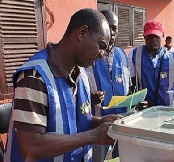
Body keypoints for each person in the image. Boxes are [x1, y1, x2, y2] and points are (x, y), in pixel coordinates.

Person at [4, 8, 121, 162]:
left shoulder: (81, 72)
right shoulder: (35, 76)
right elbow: (31, 145)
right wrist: (94, 135)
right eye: (101, 45)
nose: (102, 54)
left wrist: (99, 122)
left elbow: (71, 119)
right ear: (82, 33)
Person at [86, 10, 129, 162]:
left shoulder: (123, 55)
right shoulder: (87, 55)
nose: (111, 33)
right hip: (96, 123)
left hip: (121, 121)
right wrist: (90, 98)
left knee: (121, 157)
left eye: (114, 28)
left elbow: (126, 85)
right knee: (98, 158)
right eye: (107, 27)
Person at [128, 20, 174, 108]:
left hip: (169, 107)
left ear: (162, 36)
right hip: (145, 107)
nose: (153, 39)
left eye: (156, 36)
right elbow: (131, 82)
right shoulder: (135, 54)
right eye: (150, 36)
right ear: (144, 37)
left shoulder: (173, 55)